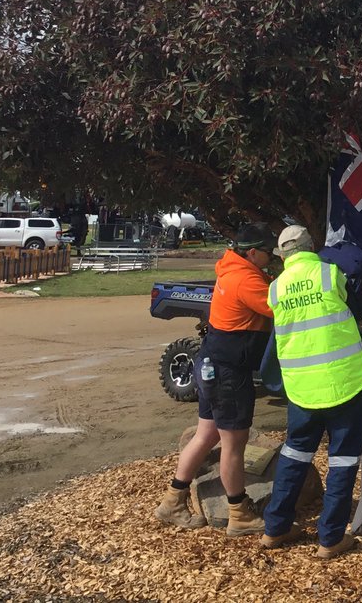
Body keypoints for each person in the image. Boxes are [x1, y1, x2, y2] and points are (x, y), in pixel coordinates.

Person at [260, 224, 362, 560]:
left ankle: (275, 529)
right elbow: (360, 309)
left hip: (301, 389)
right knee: (342, 460)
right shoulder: (329, 274)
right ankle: (330, 539)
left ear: (282, 256)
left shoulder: (276, 289)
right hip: (344, 383)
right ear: (314, 246)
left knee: (294, 455)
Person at [154, 222, 275, 536]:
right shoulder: (246, 279)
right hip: (228, 371)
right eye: (267, 252)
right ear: (251, 252)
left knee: (206, 435)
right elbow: (280, 308)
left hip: (210, 363)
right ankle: (239, 513)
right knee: (234, 443)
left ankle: (172, 501)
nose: (271, 256)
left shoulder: (229, 269)